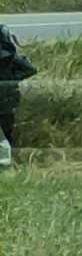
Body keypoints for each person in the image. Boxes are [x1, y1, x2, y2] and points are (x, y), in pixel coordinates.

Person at [0, 24, 32, 172]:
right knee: (7, 132)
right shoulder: (11, 57)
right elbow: (30, 69)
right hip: (8, 101)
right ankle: (7, 163)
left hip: (7, 100)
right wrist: (13, 79)